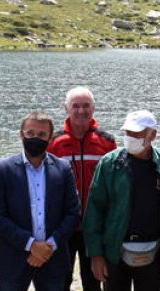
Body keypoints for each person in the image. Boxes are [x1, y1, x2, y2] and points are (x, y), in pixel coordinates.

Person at [83, 110, 160, 291]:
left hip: (155, 251)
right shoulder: (109, 164)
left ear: (153, 134)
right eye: (128, 132)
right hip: (114, 251)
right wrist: (96, 255)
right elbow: (94, 211)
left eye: (137, 133)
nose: (130, 137)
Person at [0, 111, 82, 291]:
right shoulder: (3, 169)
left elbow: (73, 213)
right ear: (21, 134)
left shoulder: (63, 169)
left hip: (53, 257)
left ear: (50, 138)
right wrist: (31, 245)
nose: (35, 138)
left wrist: (49, 246)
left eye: (41, 134)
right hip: (13, 257)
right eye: (30, 133)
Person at [48, 87, 117, 291]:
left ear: (93, 108)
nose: (81, 111)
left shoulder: (107, 141)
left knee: (94, 280)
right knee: (60, 281)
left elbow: (114, 184)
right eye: (75, 106)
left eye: (86, 106)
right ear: (66, 108)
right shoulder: (53, 142)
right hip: (63, 225)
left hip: (95, 226)